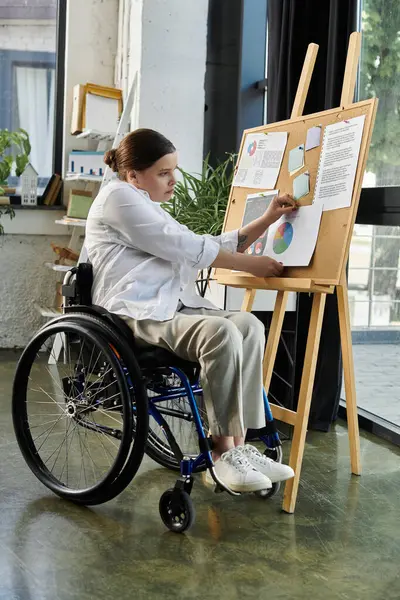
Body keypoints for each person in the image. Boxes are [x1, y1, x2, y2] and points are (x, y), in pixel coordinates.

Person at [85, 128, 296, 493]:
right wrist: (249, 264)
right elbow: (182, 246)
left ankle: (239, 448)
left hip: (170, 307)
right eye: (164, 172)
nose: (173, 180)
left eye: (174, 170)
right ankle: (221, 454)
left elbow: (203, 244)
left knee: (247, 325)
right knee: (221, 333)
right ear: (133, 174)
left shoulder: (146, 204)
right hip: (136, 313)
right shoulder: (118, 198)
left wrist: (268, 219)